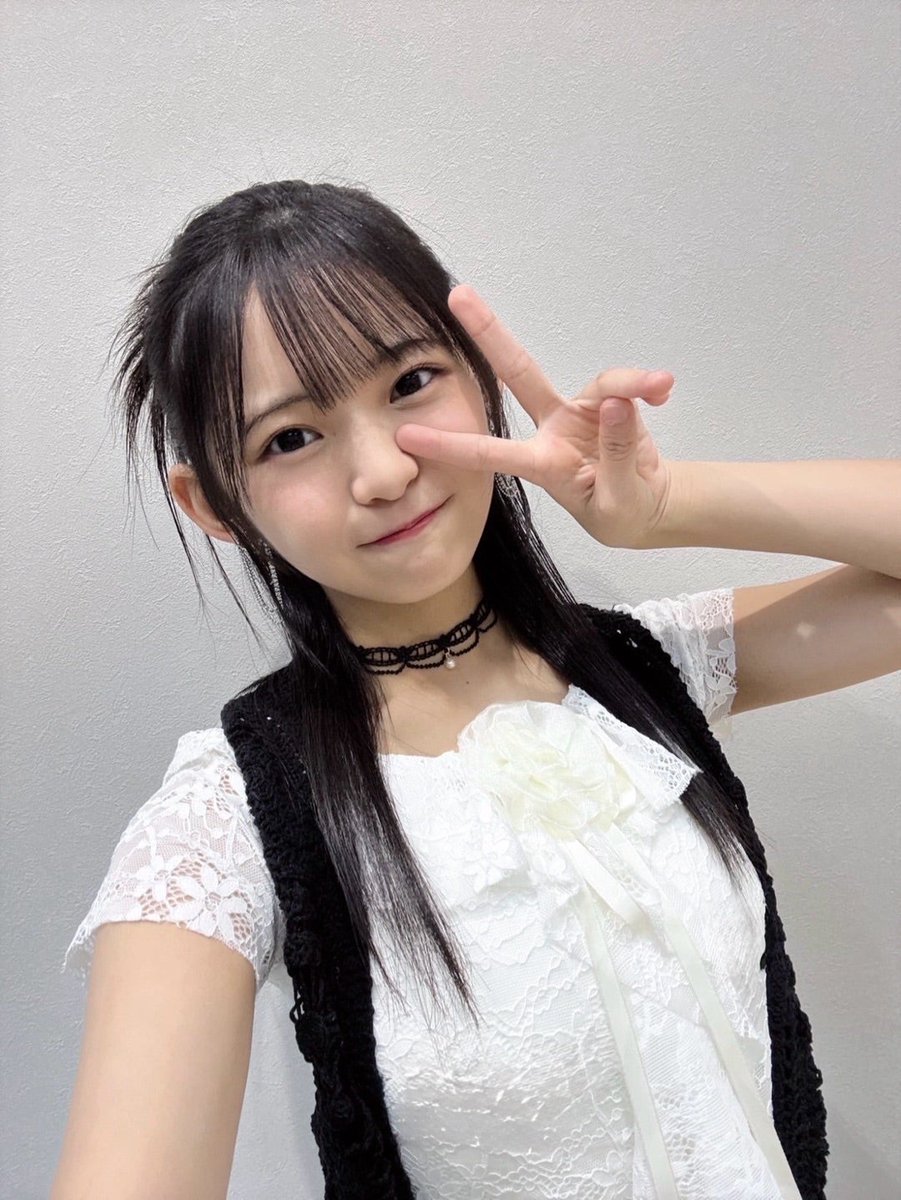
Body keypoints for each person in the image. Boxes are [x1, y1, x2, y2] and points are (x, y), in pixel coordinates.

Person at [51, 179, 899, 1200]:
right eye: (290, 438)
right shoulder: (224, 824)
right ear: (214, 503)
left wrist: (666, 505)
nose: (381, 472)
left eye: (409, 382)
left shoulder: (641, 675)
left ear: (479, 381)